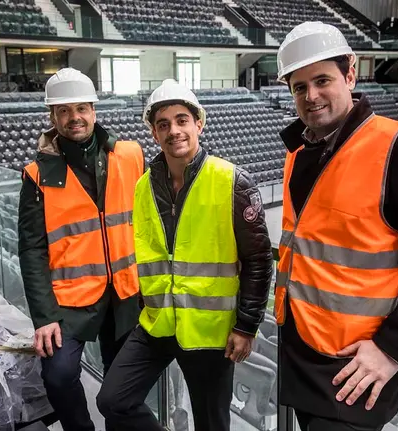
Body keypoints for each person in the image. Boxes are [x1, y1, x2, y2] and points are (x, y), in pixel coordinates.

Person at [274, 22, 398, 431]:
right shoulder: (299, 154)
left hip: (358, 363)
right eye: (299, 86)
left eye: (322, 80)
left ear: (350, 73)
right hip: (301, 348)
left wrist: (392, 349)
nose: (311, 96)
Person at [96, 79, 273, 431]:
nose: (173, 131)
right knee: (112, 400)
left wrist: (247, 325)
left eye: (181, 120)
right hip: (158, 324)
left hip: (210, 333)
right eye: (163, 124)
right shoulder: (144, 186)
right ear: (153, 132)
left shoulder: (232, 181)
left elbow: (259, 259)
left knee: (211, 424)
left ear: (199, 124)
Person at [18, 67, 144, 431]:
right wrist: (44, 318)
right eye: (64, 111)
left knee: (119, 384)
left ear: (94, 110)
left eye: (81, 109)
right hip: (70, 302)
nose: (75, 118)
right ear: (52, 116)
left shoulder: (130, 155)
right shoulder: (38, 175)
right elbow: (32, 250)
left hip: (124, 293)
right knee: (58, 375)